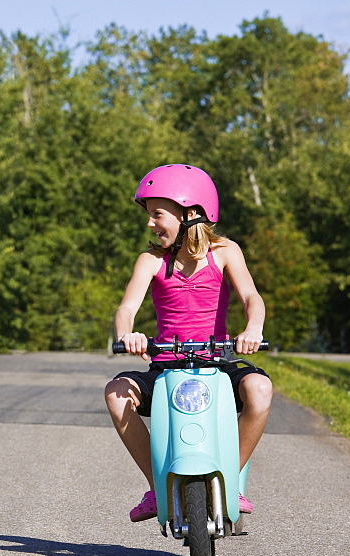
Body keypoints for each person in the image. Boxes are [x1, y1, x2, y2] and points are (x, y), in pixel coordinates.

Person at [104, 163, 273, 521]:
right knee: (116, 392)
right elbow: (126, 308)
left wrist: (253, 328)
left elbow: (251, 298)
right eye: (149, 215)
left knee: (259, 389)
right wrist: (127, 335)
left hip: (217, 362)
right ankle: (157, 485)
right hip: (166, 365)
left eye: (158, 214)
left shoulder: (225, 251)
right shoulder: (151, 260)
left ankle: (230, 479)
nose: (151, 223)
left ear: (190, 213)